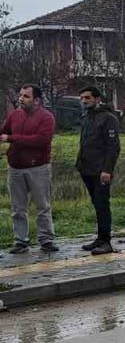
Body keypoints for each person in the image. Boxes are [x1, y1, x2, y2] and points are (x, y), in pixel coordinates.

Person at [1, 84, 57, 253]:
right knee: (17, 207)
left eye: (26, 96)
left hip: (38, 167)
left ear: (37, 100)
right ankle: (20, 241)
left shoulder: (46, 118)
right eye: (21, 95)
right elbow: (3, 131)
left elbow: (41, 140)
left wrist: (11, 138)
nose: (21, 99)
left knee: (42, 205)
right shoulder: (15, 115)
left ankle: (46, 239)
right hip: (15, 167)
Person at [74, 86, 121, 255]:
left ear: (97, 99)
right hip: (86, 168)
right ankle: (100, 239)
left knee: (102, 205)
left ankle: (106, 241)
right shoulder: (86, 116)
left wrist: (107, 170)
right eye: (82, 98)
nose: (84, 101)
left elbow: (113, 147)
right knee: (96, 204)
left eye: (87, 98)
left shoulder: (108, 118)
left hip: (101, 170)